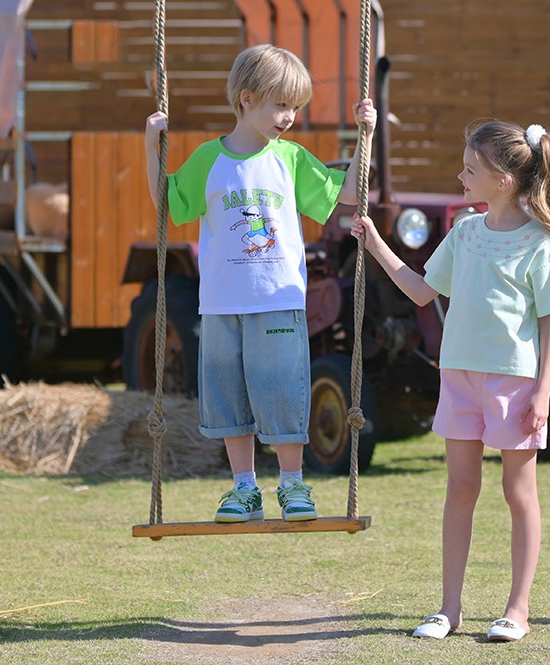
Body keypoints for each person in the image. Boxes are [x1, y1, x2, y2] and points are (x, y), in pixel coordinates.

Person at [351, 119, 550, 642]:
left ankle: (517, 611)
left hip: (516, 386)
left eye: (470, 168)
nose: (460, 175)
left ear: (503, 180)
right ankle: (449, 609)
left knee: (518, 492)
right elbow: (419, 291)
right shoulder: (464, 233)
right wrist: (375, 244)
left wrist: (544, 392)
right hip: (458, 380)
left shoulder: (540, 243)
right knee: (460, 489)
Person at [144, 44, 376, 523]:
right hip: (221, 305)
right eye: (281, 104)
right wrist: (151, 147)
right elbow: (169, 204)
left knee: (281, 391)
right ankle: (244, 489)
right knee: (229, 396)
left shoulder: (290, 159)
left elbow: (349, 194)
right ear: (247, 98)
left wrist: (364, 136)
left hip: (277, 300)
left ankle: (292, 486)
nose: (289, 116)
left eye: (294, 106)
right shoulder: (209, 159)